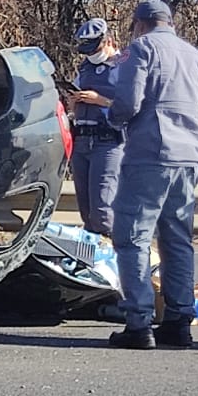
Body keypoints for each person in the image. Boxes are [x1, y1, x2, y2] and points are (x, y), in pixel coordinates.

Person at [102, 0, 198, 349]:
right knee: (177, 238)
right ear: (169, 21)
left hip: (151, 152)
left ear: (140, 24)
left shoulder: (142, 49)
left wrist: (113, 122)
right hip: (189, 155)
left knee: (132, 236)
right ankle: (179, 322)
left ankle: (139, 323)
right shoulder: (197, 58)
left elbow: (128, 102)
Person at [66, 18, 126, 237]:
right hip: (81, 139)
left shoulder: (125, 68)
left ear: (108, 40)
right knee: (88, 212)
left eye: (95, 48)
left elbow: (133, 107)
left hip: (108, 142)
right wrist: (74, 102)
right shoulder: (86, 68)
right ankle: (95, 261)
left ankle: (122, 255)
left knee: (102, 211)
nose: (91, 54)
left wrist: (100, 100)